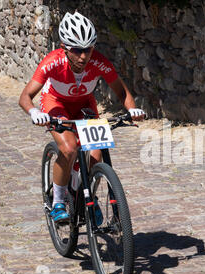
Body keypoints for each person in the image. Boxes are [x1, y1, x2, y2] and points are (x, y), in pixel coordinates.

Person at [19, 11, 145, 223]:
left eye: (88, 49)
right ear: (65, 47)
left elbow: (122, 92)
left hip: (84, 105)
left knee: (96, 155)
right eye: (77, 50)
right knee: (69, 148)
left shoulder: (99, 62)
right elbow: (25, 96)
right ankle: (59, 201)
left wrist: (132, 109)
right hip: (55, 103)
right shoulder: (53, 62)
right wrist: (34, 112)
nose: (84, 56)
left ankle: (81, 195)